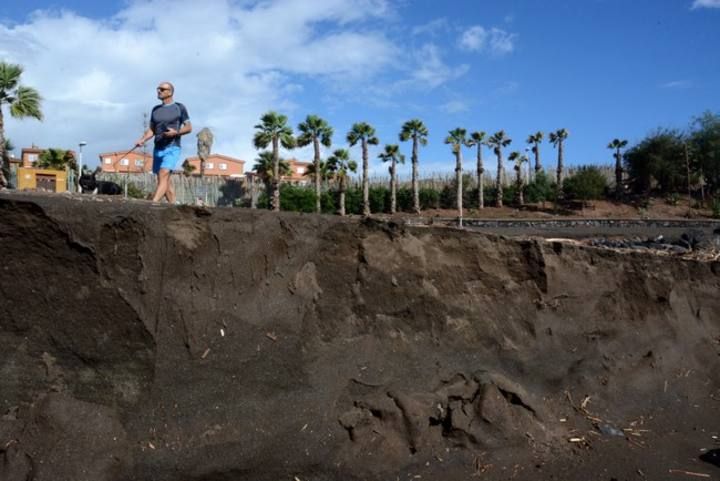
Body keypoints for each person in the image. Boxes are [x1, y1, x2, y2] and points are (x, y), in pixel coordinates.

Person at [135, 81, 192, 203]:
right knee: (165, 181)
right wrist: (142, 140)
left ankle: (153, 203)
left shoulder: (179, 107)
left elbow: (189, 128)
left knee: (163, 173)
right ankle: (173, 208)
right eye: (158, 89)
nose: (158, 91)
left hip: (172, 147)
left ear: (170, 92)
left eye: (162, 89)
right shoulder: (155, 109)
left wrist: (176, 132)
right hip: (158, 148)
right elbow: (152, 130)